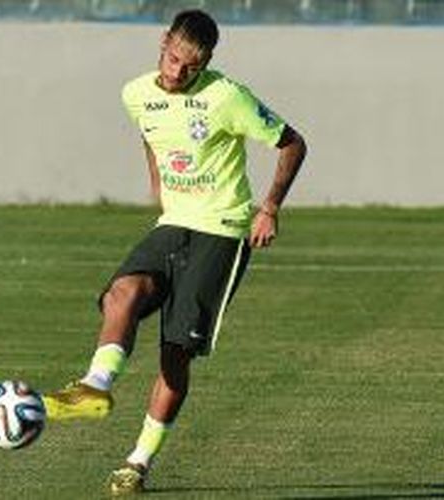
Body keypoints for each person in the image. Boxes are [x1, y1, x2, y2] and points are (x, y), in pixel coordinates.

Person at [42, 9, 307, 495]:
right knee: (123, 291)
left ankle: (137, 462)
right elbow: (150, 133)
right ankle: (96, 386)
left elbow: (292, 144)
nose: (178, 72)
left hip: (221, 232)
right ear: (163, 43)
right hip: (172, 224)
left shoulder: (227, 96)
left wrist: (269, 207)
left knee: (174, 353)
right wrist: (157, 185)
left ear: (206, 62)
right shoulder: (136, 93)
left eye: (191, 66)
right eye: (173, 58)